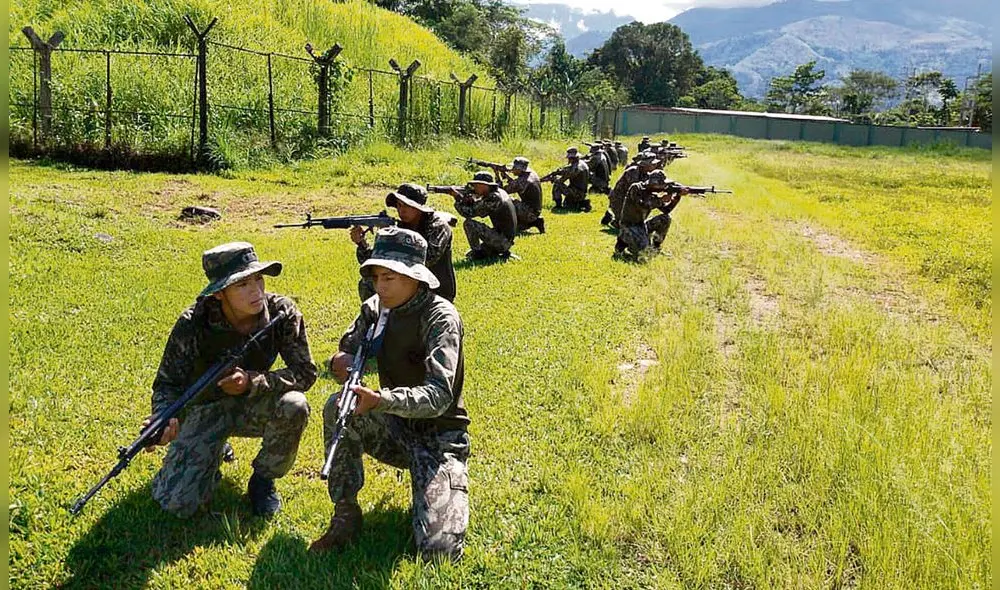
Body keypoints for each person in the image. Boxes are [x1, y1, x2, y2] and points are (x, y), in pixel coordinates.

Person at [310, 227, 470, 562]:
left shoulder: (441, 317)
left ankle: (436, 483)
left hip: (439, 439)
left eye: (390, 278)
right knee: (338, 406)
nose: (381, 287)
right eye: (377, 277)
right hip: (396, 428)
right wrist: (342, 360)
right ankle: (345, 514)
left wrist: (382, 400)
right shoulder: (376, 308)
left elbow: (439, 396)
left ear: (416, 277)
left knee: (439, 554)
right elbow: (348, 348)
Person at [147, 242, 317, 518]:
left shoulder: (282, 312)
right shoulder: (194, 323)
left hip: (253, 404)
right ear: (218, 294)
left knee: (295, 405)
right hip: (206, 409)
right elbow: (167, 384)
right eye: (242, 285)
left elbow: (305, 373)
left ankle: (263, 480)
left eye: (258, 279)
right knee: (178, 505)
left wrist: (252, 382)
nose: (256, 291)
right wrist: (163, 418)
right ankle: (209, 451)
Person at [352, 183, 457, 302]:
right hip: (407, 284)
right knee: (368, 282)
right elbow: (376, 262)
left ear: (419, 208)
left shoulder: (438, 227)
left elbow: (427, 259)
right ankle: (380, 318)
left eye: (407, 205)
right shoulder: (398, 227)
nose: (401, 210)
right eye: (399, 205)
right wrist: (362, 243)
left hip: (435, 289)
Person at [615, 170, 687, 260]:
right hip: (628, 226)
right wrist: (661, 200)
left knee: (665, 219)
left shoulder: (652, 194)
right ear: (654, 184)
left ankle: (656, 247)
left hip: (641, 225)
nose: (664, 186)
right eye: (662, 184)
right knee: (644, 255)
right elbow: (642, 204)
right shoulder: (636, 188)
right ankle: (622, 242)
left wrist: (677, 197)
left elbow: (666, 210)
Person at [451, 171, 518, 261]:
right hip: (504, 237)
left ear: (484, 185)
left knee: (469, 224)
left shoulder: (494, 198)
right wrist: (469, 201)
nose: (474, 188)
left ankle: (477, 254)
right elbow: (479, 206)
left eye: (476, 185)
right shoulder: (499, 192)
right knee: (470, 253)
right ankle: (490, 250)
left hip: (503, 241)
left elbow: (468, 213)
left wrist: (457, 199)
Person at [601, 151, 659, 228]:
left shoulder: (647, 174)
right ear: (645, 164)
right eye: (653, 164)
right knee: (626, 225)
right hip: (619, 200)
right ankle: (613, 217)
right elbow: (636, 191)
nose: (655, 165)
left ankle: (616, 218)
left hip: (628, 199)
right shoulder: (633, 172)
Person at [497, 156, 545, 234]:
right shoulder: (531, 174)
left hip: (530, 212)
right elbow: (515, 184)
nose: (512, 170)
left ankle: (509, 224)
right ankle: (531, 222)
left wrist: (497, 176)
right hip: (534, 209)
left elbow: (502, 191)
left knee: (505, 200)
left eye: (514, 168)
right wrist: (505, 175)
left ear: (520, 169)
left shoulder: (523, 181)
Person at [546, 147, 591, 211]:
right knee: (568, 203)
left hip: (577, 193)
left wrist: (553, 179)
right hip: (581, 191)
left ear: (572, 158)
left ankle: (558, 205)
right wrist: (557, 172)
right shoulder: (582, 163)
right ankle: (580, 203)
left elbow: (561, 180)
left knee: (557, 184)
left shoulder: (575, 168)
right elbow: (566, 169)